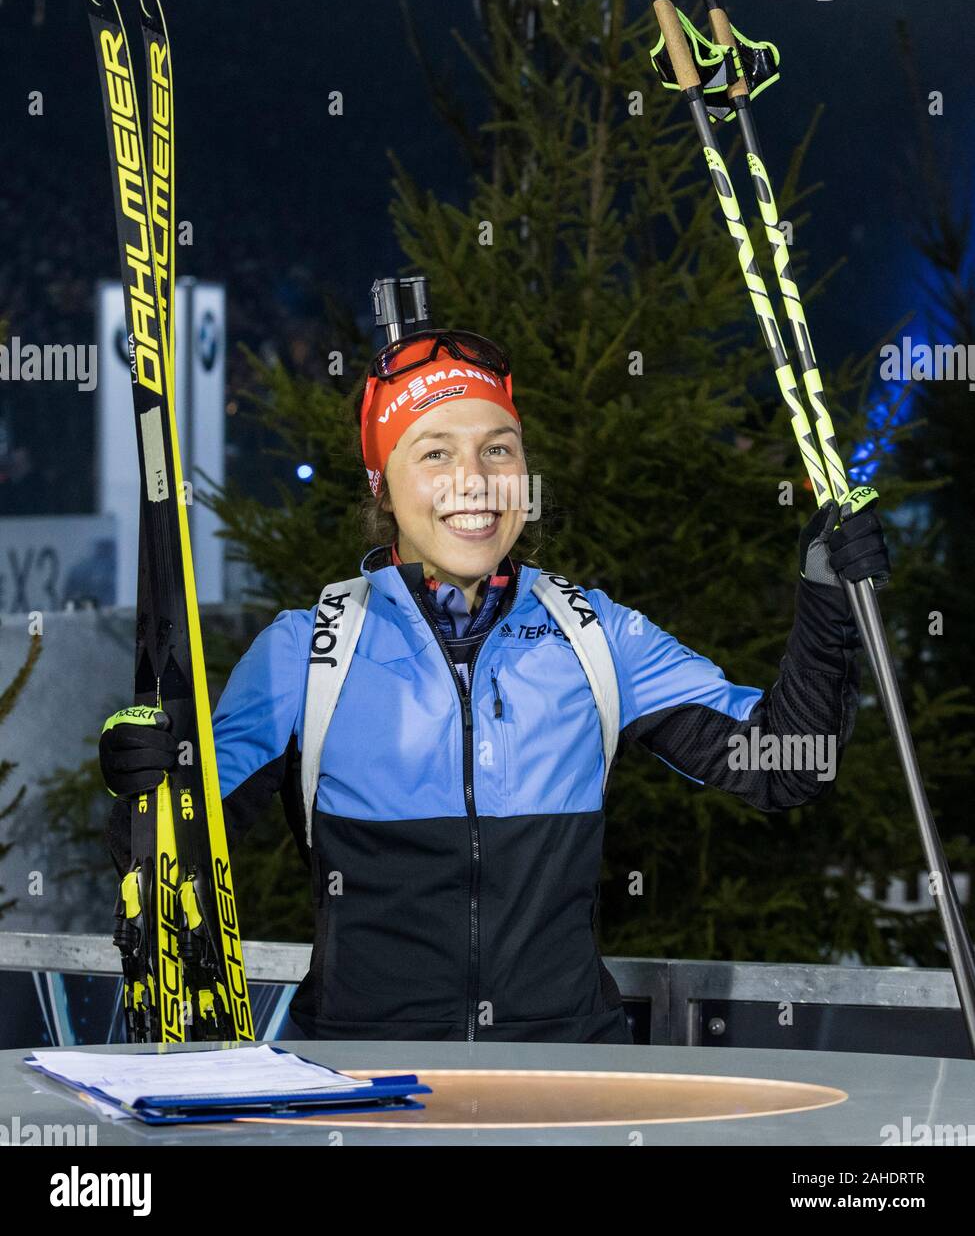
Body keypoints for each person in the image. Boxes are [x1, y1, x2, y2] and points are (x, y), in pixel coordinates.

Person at [101, 328, 890, 1044]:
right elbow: (173, 863)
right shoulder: (307, 651)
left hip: (568, 1086)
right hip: (362, 1087)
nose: (472, 481)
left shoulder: (591, 635)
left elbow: (787, 766)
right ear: (382, 485)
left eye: (498, 450)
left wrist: (826, 601)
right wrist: (147, 775)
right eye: (434, 453)